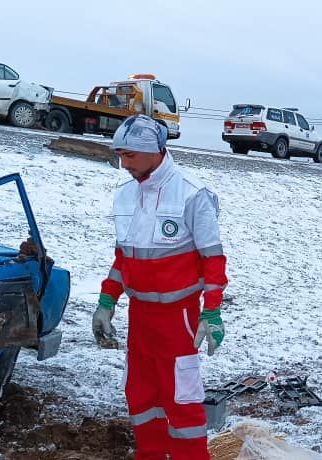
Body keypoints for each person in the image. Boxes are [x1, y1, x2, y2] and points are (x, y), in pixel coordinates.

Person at [92, 115, 227, 459]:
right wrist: (106, 302)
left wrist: (211, 311)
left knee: (181, 401)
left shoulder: (192, 194)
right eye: (120, 155)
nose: (123, 164)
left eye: (130, 156)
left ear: (154, 151)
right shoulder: (125, 196)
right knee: (141, 396)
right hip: (141, 318)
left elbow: (213, 260)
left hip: (177, 318)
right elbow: (124, 257)